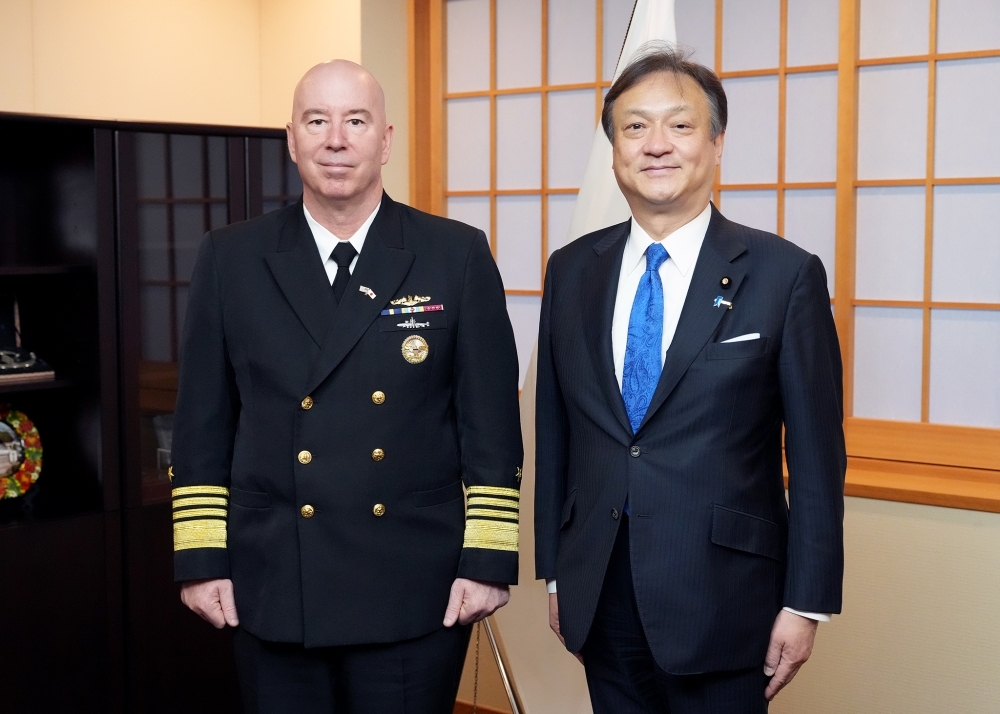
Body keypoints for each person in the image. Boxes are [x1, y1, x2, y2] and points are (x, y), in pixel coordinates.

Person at [170, 60, 523, 714]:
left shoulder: (455, 254)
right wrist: (200, 558)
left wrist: (488, 561)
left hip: (413, 586)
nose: (336, 139)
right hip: (273, 582)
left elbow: (492, 426)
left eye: (355, 121)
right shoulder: (232, 258)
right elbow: (201, 425)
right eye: (317, 121)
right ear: (292, 137)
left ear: (385, 139)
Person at [534, 45, 845, 713]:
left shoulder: (784, 275)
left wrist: (807, 601)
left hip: (727, 598)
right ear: (613, 147)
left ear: (716, 141)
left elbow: (819, 457)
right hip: (601, 587)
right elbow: (556, 431)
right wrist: (557, 575)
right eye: (634, 127)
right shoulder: (571, 271)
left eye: (679, 125)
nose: (656, 145)